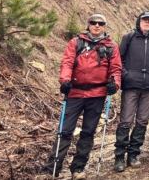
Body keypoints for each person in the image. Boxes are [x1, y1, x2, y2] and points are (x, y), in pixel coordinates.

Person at [41, 14, 122, 179]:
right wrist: (65, 80)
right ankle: (52, 169)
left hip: (97, 94)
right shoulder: (75, 42)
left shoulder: (111, 46)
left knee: (88, 132)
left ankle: (78, 169)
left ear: (105, 26)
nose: (97, 26)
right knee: (64, 131)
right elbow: (67, 63)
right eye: (94, 23)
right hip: (75, 92)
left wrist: (115, 83)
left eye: (100, 23)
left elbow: (115, 69)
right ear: (89, 25)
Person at [114, 11, 149, 172]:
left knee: (142, 120)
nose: (147, 22)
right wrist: (126, 75)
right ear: (139, 21)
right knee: (126, 121)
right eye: (144, 20)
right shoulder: (129, 37)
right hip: (131, 85)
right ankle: (119, 157)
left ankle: (133, 154)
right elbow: (119, 59)